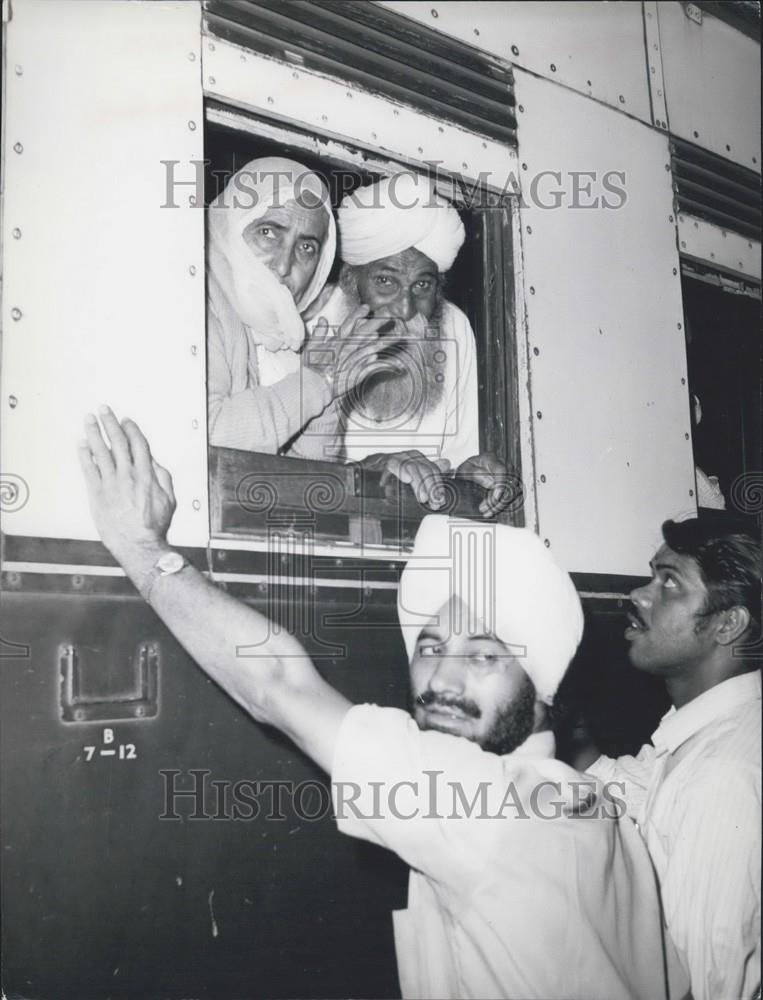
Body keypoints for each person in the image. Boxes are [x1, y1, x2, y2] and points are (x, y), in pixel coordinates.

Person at [78, 407, 688, 1000]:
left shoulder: (488, 808)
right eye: (429, 646)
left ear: (544, 681)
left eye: (483, 655)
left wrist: (140, 548)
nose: (442, 680)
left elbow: (278, 686)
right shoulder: (596, 806)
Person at [588, 513, 761, 1000]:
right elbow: (643, 795)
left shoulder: (722, 776)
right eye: (651, 576)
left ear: (728, 623)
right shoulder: (706, 733)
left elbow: (705, 987)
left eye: (669, 584)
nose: (639, 596)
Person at [298, 172, 517, 518]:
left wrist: (471, 475)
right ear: (352, 282)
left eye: (422, 285)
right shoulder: (310, 323)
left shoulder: (453, 327)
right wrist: (372, 468)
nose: (404, 308)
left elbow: (456, 458)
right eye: (386, 281)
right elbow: (281, 471)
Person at [207, 156, 401, 458]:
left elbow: (310, 471)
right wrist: (316, 381)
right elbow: (210, 434)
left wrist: (332, 387)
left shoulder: (284, 340)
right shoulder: (199, 301)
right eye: (268, 233)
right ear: (233, 223)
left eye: (306, 247)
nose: (284, 265)